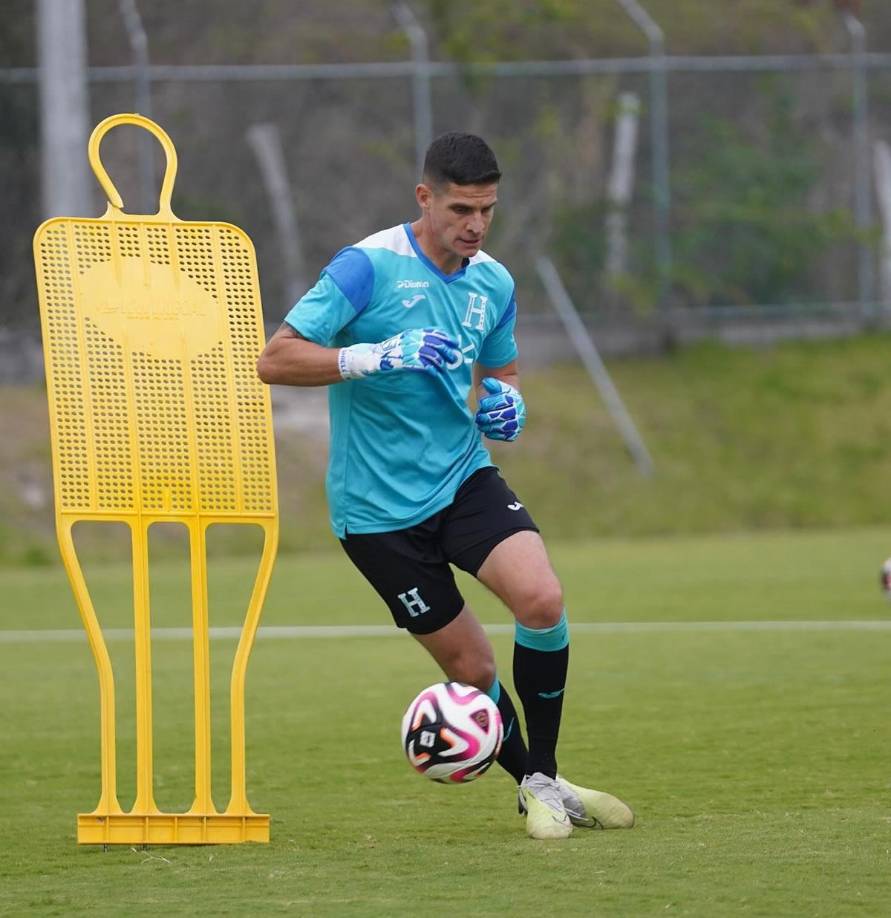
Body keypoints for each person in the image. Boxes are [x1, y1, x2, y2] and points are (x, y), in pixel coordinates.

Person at [257, 131, 634, 839]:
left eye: (487, 210)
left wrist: (506, 402)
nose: (475, 225)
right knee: (470, 664)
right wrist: (370, 355)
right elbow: (275, 360)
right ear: (423, 198)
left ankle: (544, 777)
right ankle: (534, 784)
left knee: (541, 597)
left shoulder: (493, 281)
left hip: (462, 477)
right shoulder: (366, 267)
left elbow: (503, 372)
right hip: (375, 515)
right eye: (461, 208)